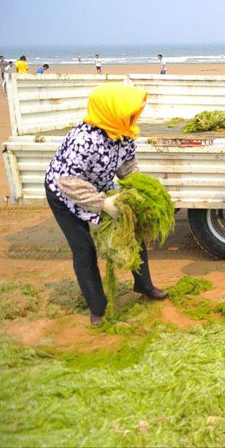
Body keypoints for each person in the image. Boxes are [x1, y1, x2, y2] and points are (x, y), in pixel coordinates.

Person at [44, 83, 168, 327]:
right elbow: (68, 182)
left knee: (134, 233)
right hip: (65, 193)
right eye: (129, 112)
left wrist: (139, 189)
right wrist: (103, 204)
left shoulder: (124, 132)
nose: (133, 117)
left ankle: (145, 286)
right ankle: (97, 307)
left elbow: (127, 167)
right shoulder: (84, 139)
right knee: (84, 249)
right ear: (111, 110)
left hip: (99, 186)